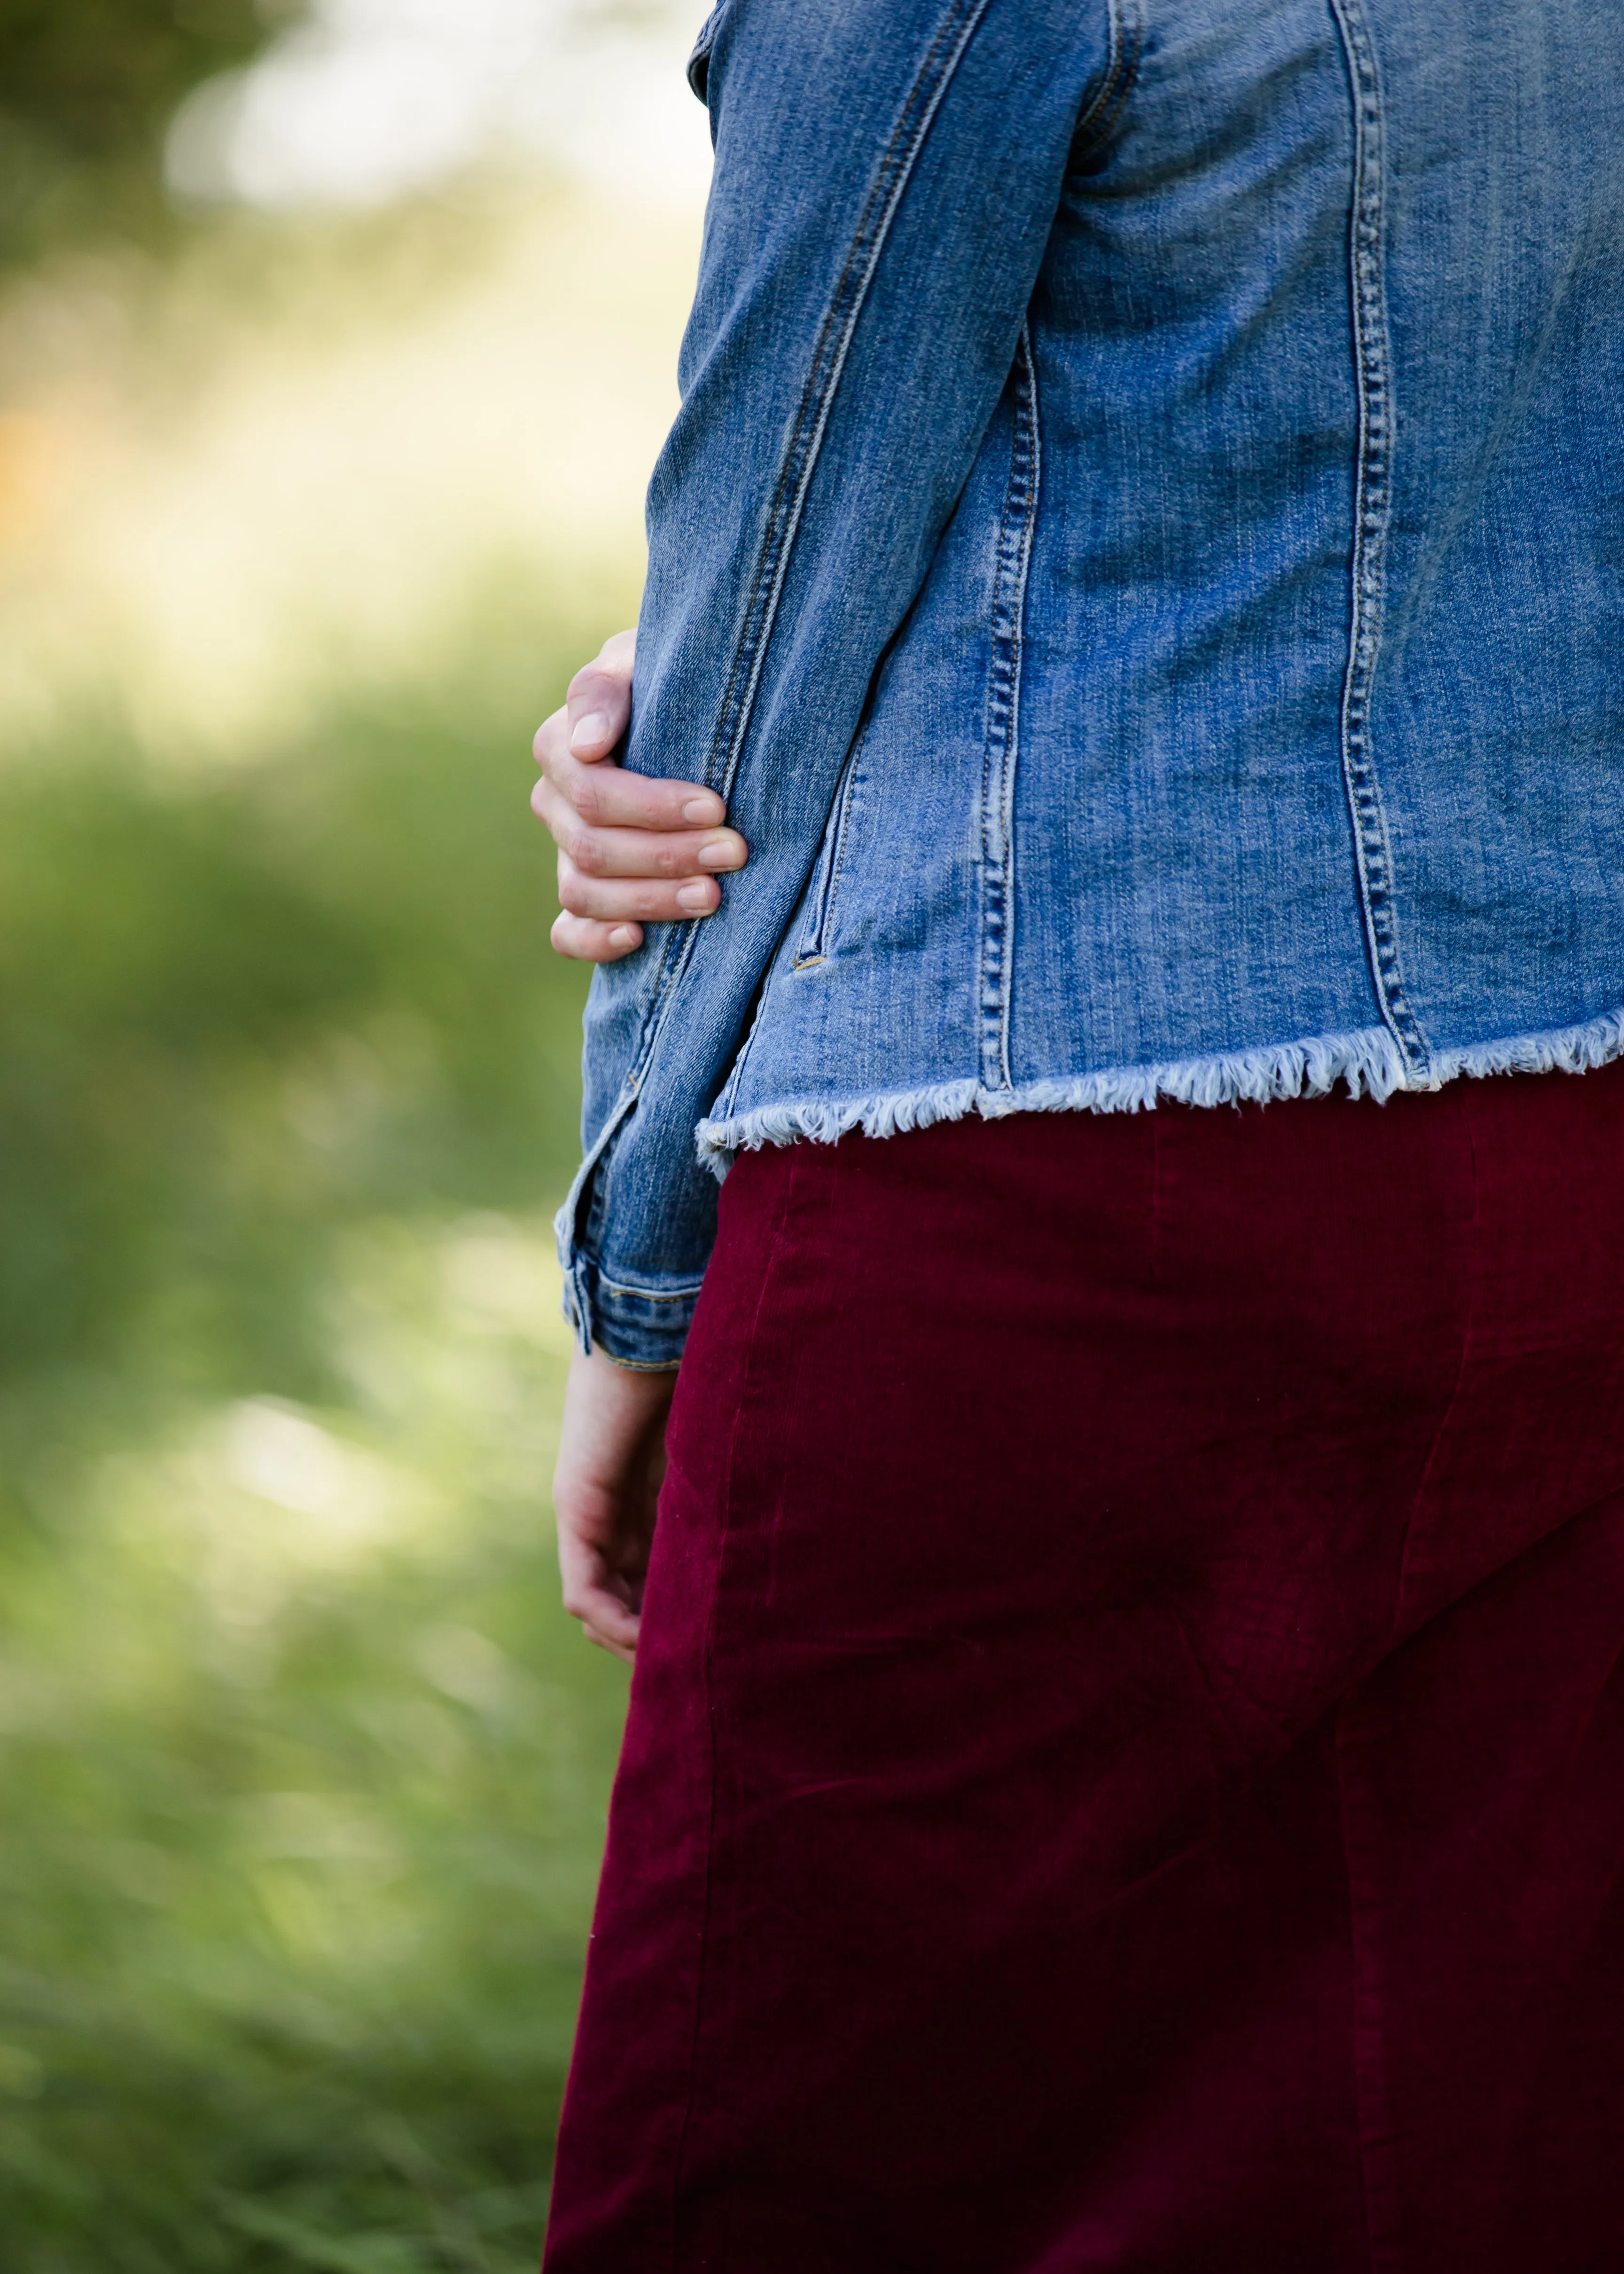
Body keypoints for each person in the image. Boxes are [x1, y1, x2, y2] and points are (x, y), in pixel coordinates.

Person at [531, 3, 1624, 2266]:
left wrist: (640, 1272)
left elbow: (779, 559)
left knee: (782, 2167)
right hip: (1570, 1137)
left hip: (1048, 1191)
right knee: (1452, 2149)